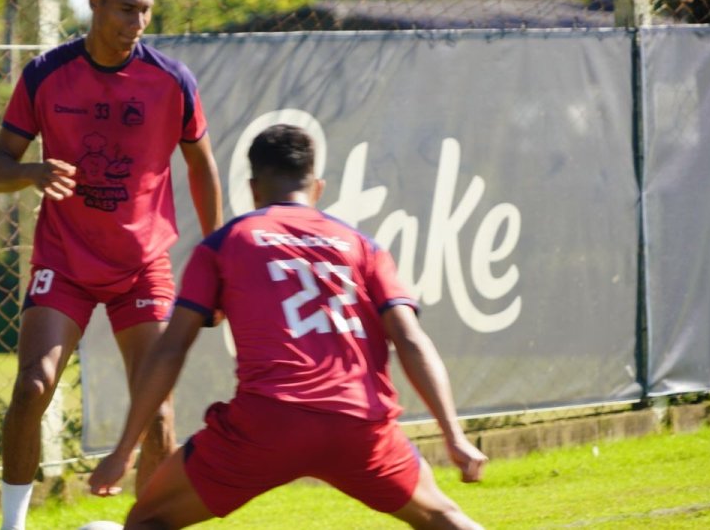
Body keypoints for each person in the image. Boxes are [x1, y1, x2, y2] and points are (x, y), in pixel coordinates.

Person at [89, 124, 487, 529]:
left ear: (253, 189)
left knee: (149, 519)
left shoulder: (225, 244)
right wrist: (453, 435)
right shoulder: (364, 246)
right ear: (318, 187)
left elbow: (170, 349)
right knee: (442, 516)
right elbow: (410, 340)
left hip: (267, 423)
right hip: (358, 423)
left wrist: (124, 450)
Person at [0, 0, 223, 530]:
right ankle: (13, 525)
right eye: (123, 10)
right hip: (64, 262)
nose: (134, 24)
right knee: (32, 385)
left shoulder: (172, 81)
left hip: (142, 266)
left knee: (159, 413)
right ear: (93, 3)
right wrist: (35, 173)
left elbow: (202, 170)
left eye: (144, 12)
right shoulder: (45, 74)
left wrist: (217, 263)